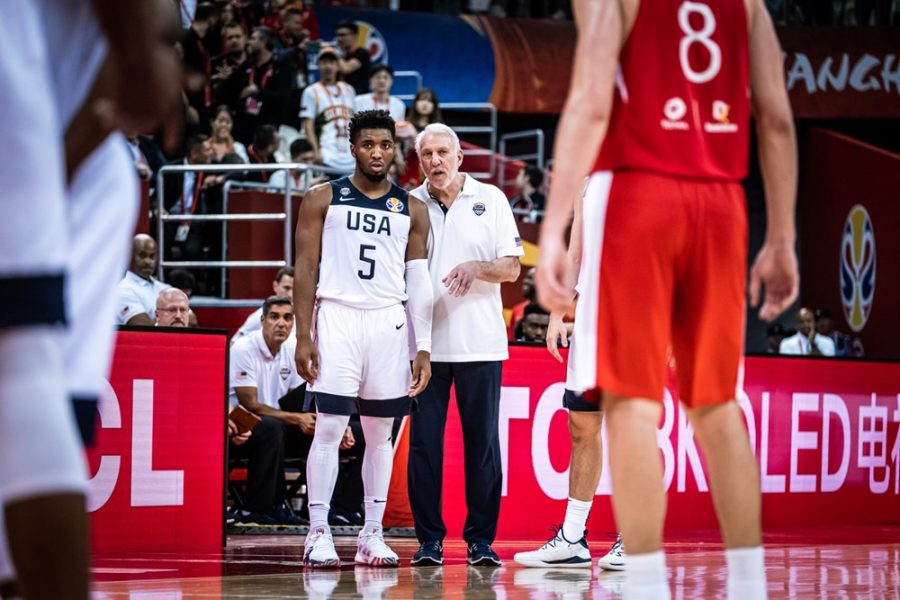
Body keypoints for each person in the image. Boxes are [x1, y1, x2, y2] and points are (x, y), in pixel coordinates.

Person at [536, 0, 799, 598]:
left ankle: (649, 584)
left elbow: (590, 101)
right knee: (717, 406)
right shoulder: (748, 5)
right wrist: (782, 236)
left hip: (641, 194)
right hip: (722, 204)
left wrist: (552, 229)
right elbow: (778, 121)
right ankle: (750, 585)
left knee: (631, 406)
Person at [0, 0, 181, 597]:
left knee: (22, 372)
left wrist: (140, 50)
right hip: (70, 149)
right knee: (36, 403)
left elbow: (149, 34)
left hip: (52, 140)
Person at [293, 110, 433, 567]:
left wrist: (423, 346)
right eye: (369, 144)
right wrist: (303, 335)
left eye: (385, 145)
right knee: (330, 427)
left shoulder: (412, 209)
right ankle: (318, 531)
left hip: (388, 323)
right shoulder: (322, 197)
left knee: (379, 435)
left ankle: (372, 533)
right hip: (337, 316)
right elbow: (305, 269)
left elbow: (419, 281)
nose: (377, 153)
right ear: (352, 148)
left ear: (396, 150)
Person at [407, 123, 523, 567]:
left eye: (443, 152)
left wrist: (476, 267)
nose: (435, 161)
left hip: (481, 345)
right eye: (427, 154)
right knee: (424, 447)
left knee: (483, 446)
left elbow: (511, 268)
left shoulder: (490, 198)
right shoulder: (410, 204)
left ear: (460, 158)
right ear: (420, 161)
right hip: (425, 346)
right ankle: (429, 542)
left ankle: (480, 541)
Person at [514, 192, 624, 571]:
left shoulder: (651, 173)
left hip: (638, 313)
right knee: (582, 424)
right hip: (591, 316)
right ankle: (573, 538)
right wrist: (559, 312)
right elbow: (576, 253)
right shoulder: (585, 182)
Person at [230, 295, 313, 525]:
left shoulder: (292, 349)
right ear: (263, 320)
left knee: (324, 430)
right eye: (275, 317)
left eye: (287, 318)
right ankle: (256, 508)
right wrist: (297, 418)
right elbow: (250, 405)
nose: (282, 323)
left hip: (278, 424)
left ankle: (324, 510)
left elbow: (297, 400)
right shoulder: (243, 348)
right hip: (239, 425)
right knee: (271, 429)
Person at [300, 47, 356, 173]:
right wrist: (316, 151)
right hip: (326, 157)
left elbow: (355, 124)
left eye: (332, 62)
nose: (328, 66)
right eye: (324, 62)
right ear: (318, 65)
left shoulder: (349, 90)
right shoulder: (311, 91)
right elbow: (308, 126)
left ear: (338, 65)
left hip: (350, 158)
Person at [115, 234, 172, 325]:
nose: (148, 262)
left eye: (152, 256)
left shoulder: (166, 288)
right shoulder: (123, 290)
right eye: (142, 256)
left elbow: (191, 320)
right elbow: (143, 327)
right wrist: (176, 317)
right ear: (129, 256)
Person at [233, 267, 295, 342]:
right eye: (286, 288)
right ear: (275, 286)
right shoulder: (260, 314)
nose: (291, 294)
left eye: (295, 289)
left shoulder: (303, 316)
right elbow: (234, 342)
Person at [333, 20, 370, 95]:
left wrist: (335, 52)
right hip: (341, 97)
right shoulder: (342, 56)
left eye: (343, 35)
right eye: (337, 35)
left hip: (358, 98)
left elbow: (346, 69)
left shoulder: (362, 53)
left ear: (354, 36)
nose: (339, 39)